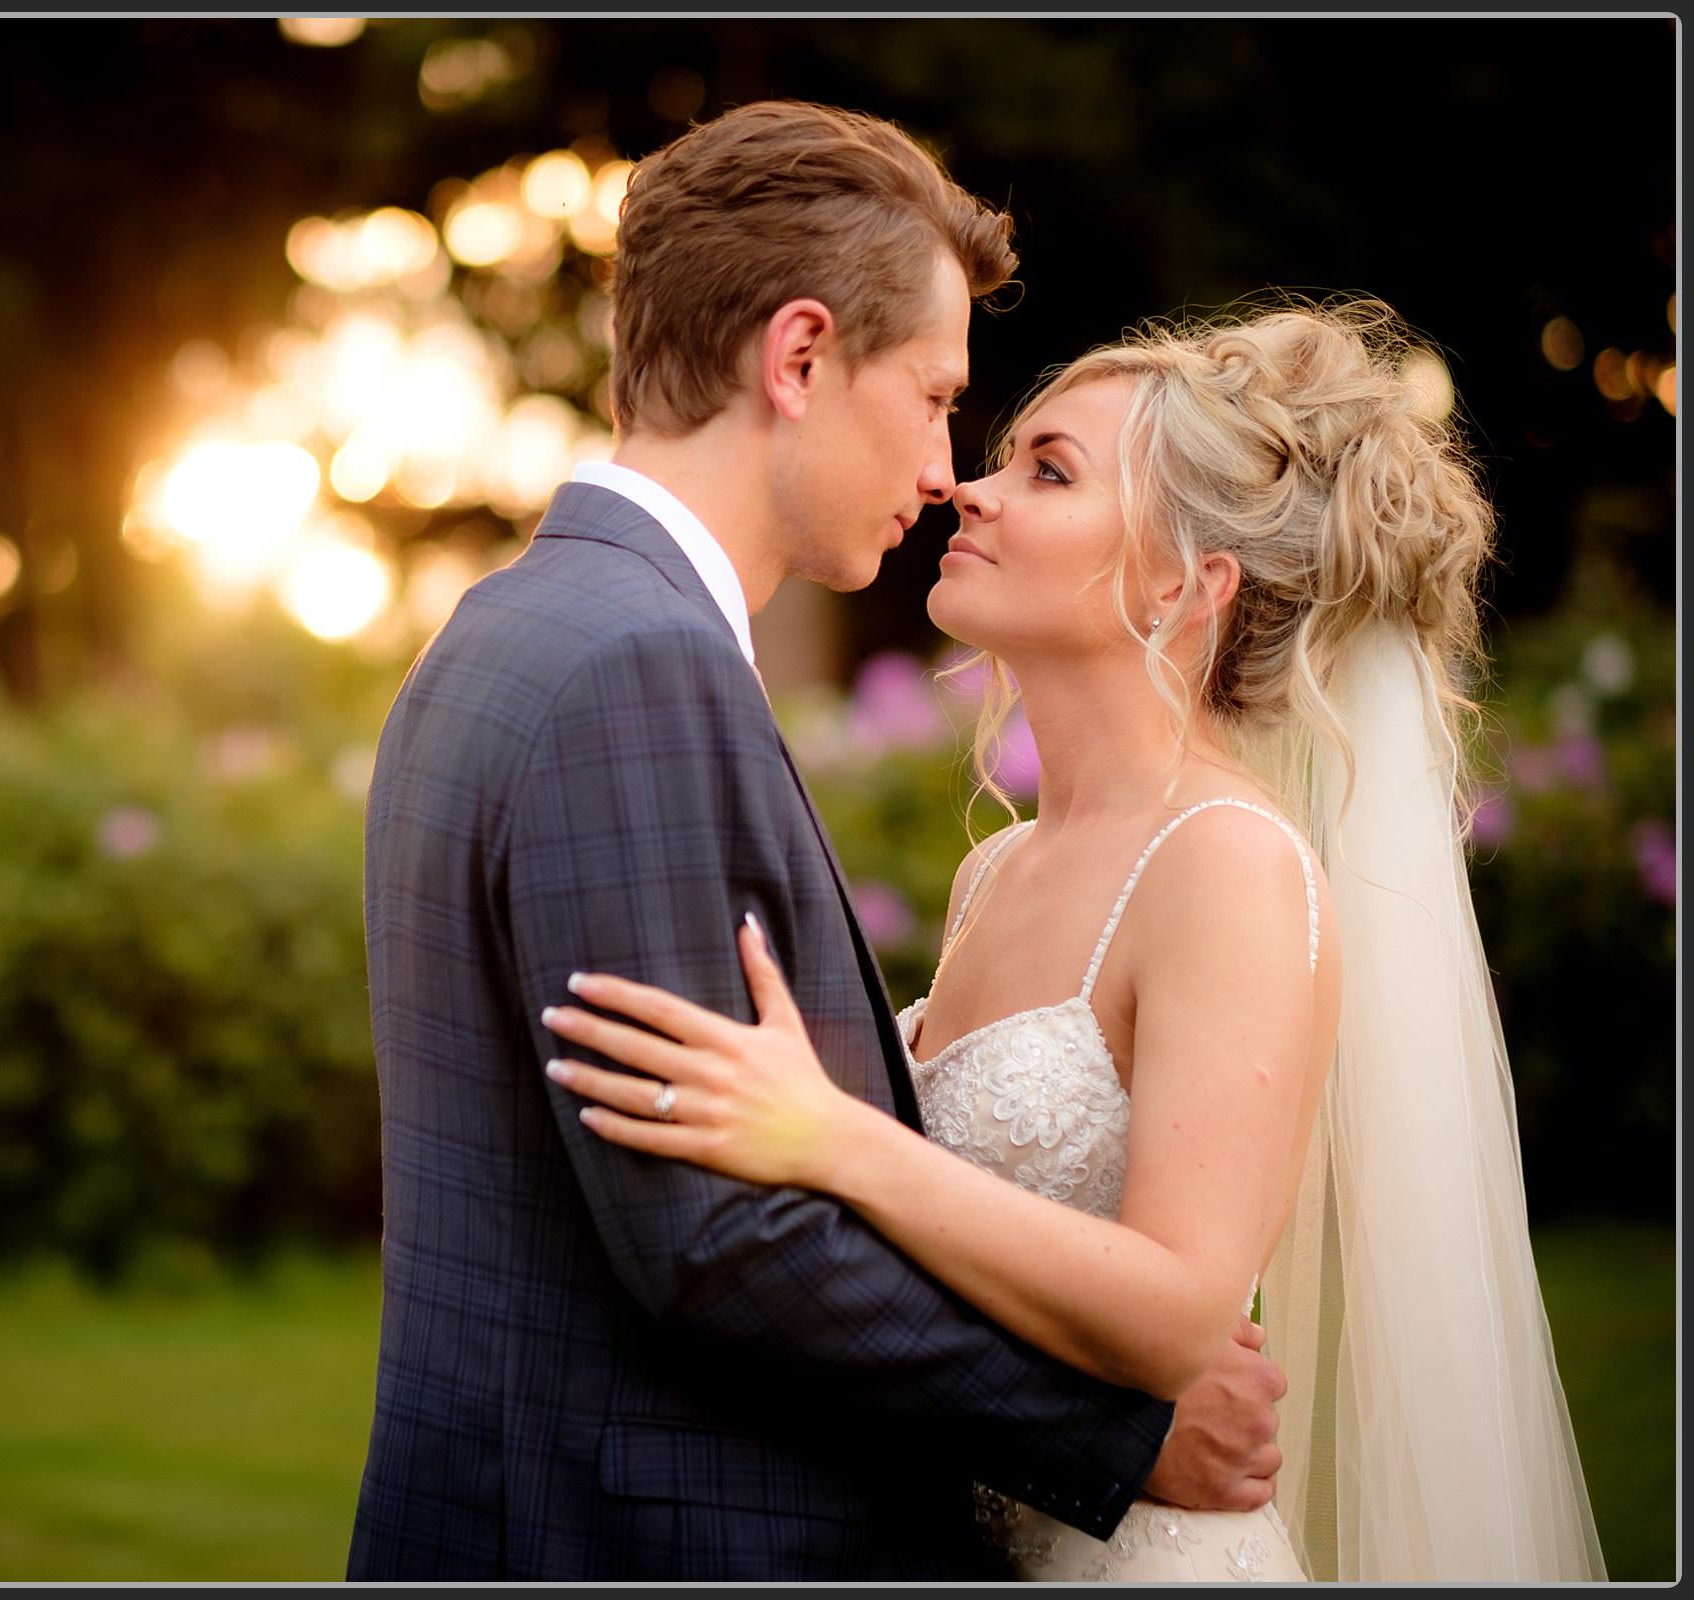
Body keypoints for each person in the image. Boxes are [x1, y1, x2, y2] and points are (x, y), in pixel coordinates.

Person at [346, 99, 1285, 1583]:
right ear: (796, 359)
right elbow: (721, 1239)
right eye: (930, 396)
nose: (943, 469)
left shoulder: (507, 634)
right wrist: (1112, 1440)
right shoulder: (630, 665)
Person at [544, 298, 1609, 1581]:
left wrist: (838, 1140)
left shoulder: (1226, 863)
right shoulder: (1001, 866)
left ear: (1185, 582)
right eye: (1002, 457)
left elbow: (1177, 1312)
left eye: (1046, 471)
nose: (968, 492)